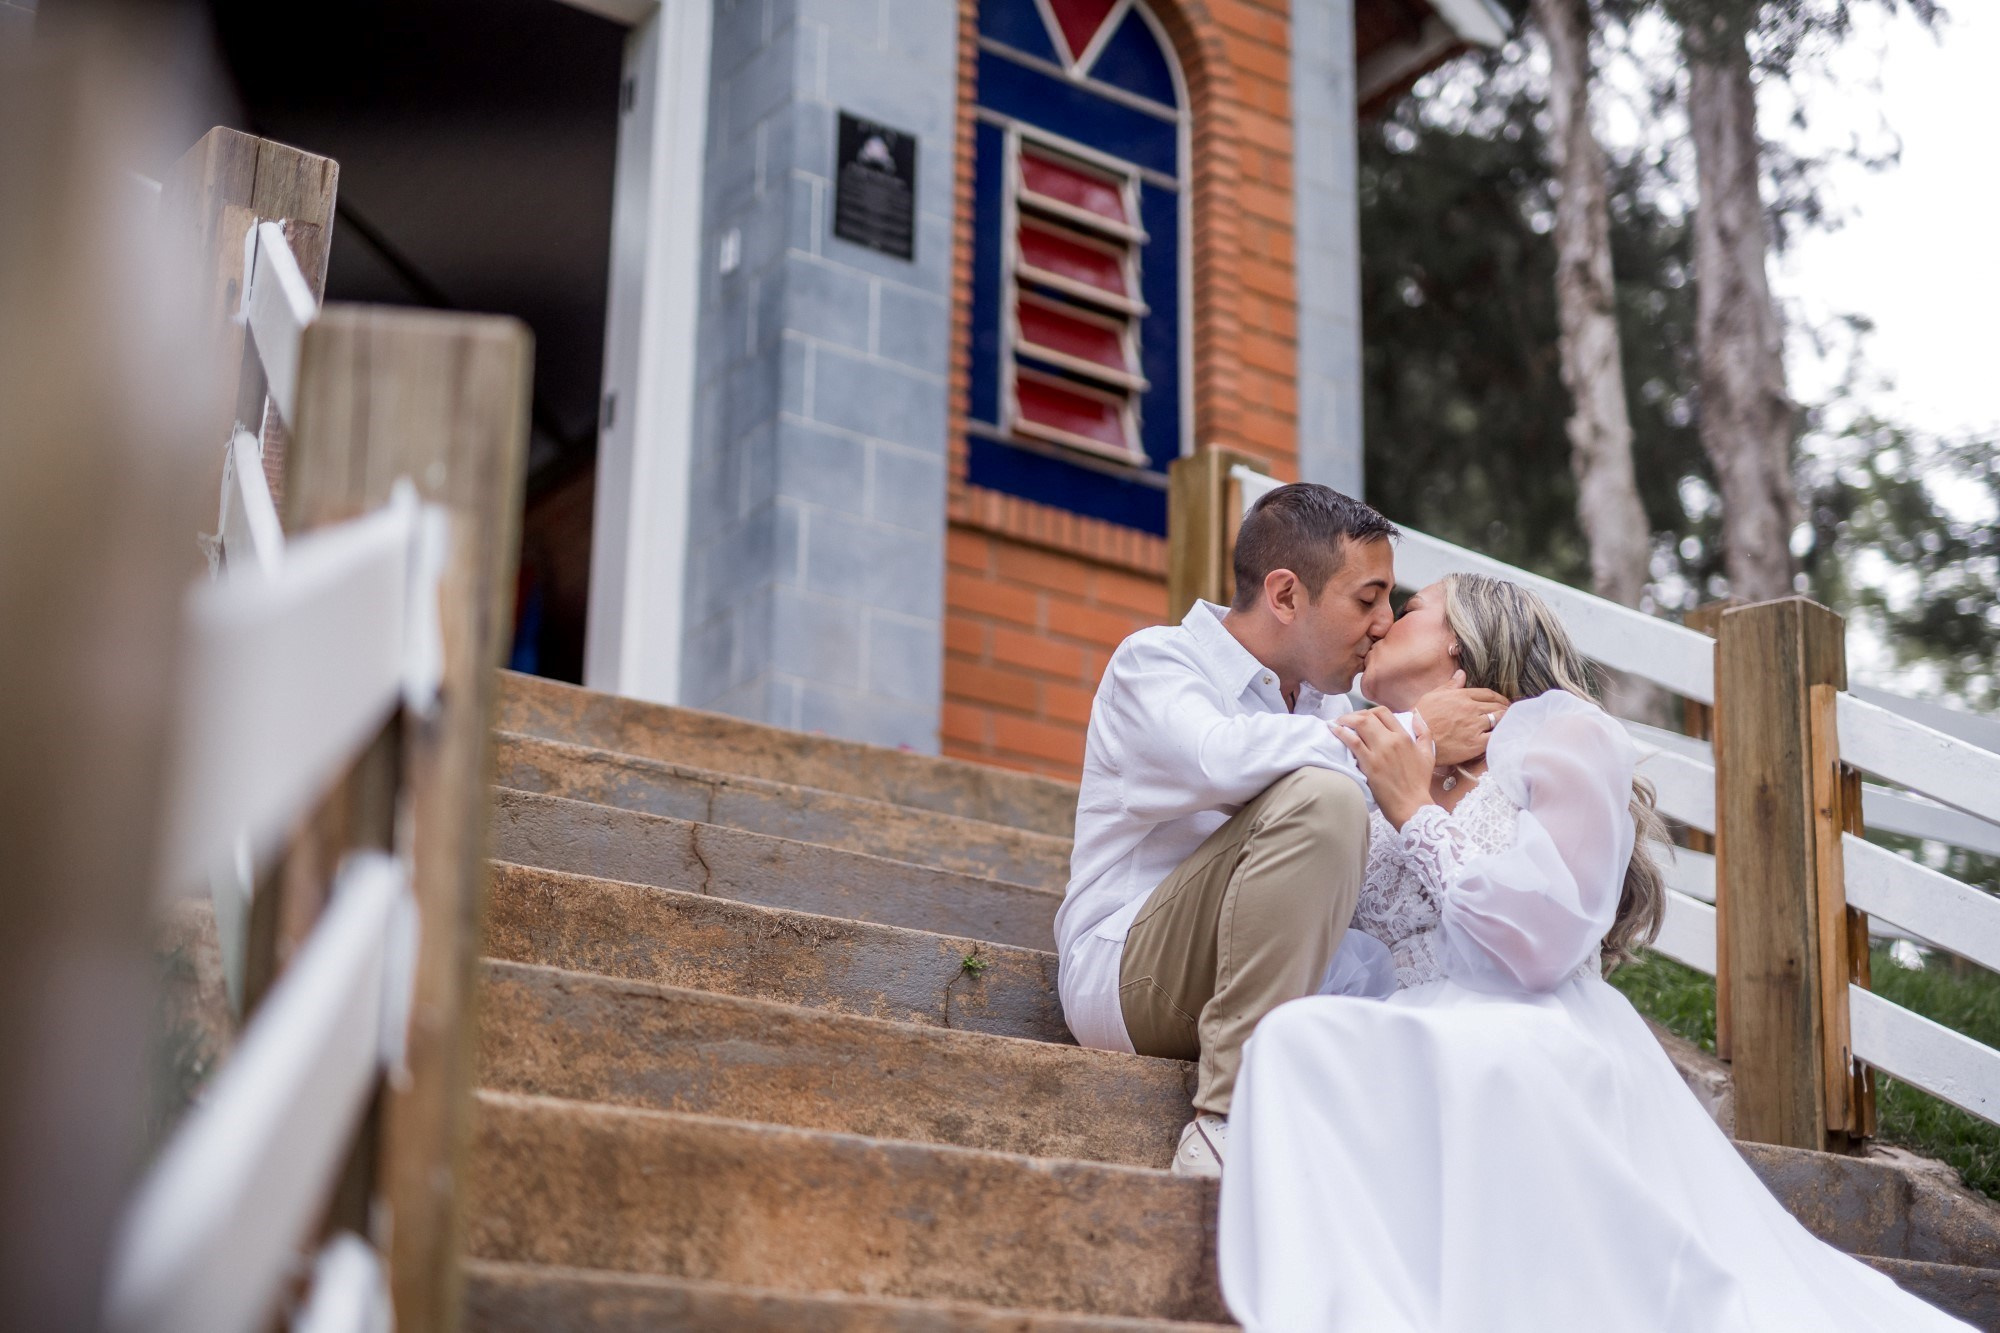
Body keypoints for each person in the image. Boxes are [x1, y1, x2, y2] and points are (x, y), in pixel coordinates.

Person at [1217, 573, 1974, 1332]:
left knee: (1486, 1065)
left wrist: (1414, 810)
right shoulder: (1364, 746)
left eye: (1408, 608)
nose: (1381, 623)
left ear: (1463, 636)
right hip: (1395, 1015)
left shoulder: (1561, 734)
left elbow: (1544, 939)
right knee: (1289, 1040)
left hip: (1530, 1015)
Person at [1056, 484, 1510, 1177]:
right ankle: (1226, 1118)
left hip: (1257, 970)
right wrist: (1416, 733)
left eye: (1391, 603)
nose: (1385, 623)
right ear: (1287, 594)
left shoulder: (1331, 703)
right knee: (1325, 797)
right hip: (1128, 976)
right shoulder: (1156, 663)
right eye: (1368, 599)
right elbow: (1219, 757)